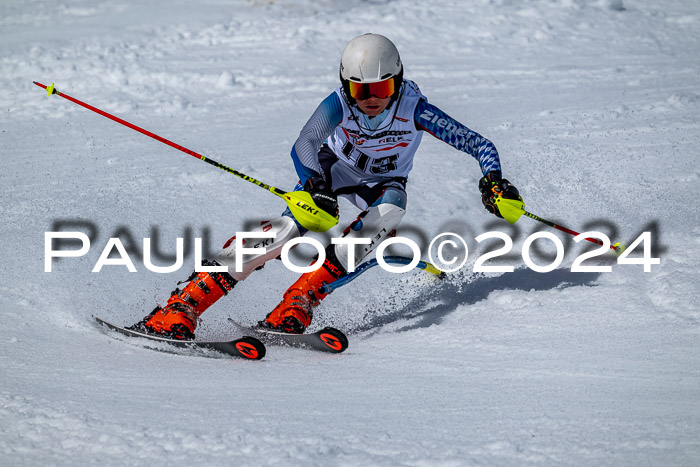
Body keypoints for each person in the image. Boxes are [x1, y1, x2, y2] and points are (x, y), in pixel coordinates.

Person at [130, 33, 523, 340]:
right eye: (360, 90)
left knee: (389, 212)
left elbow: (478, 144)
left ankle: (298, 302)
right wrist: (314, 184)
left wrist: (493, 180)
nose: (370, 100)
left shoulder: (414, 108)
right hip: (332, 171)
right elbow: (305, 143)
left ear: (397, 83)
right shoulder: (338, 103)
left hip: (382, 182)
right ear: (345, 85)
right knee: (285, 232)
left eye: (381, 90)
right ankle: (182, 305)